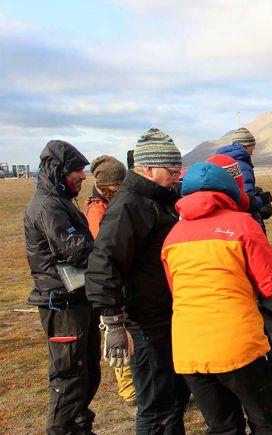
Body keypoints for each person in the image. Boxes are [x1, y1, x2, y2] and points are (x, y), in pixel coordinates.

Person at [161, 162, 272, 434]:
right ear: (229, 191)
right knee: (271, 425)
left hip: (188, 350)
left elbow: (176, 290)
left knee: (223, 428)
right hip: (238, 344)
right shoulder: (242, 225)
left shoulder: (172, 237)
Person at [86, 128, 191, 434]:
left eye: (178, 170)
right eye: (172, 171)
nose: (176, 177)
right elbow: (103, 262)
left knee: (173, 398)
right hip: (145, 322)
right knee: (157, 405)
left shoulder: (158, 200)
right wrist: (113, 321)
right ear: (148, 169)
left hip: (165, 315)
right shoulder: (130, 206)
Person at [24, 140, 98, 434]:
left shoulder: (59, 200)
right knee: (69, 375)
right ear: (59, 171)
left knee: (86, 372)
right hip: (62, 303)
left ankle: (79, 427)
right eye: (77, 170)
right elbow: (76, 249)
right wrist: (110, 250)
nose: (83, 175)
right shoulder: (48, 206)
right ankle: (64, 429)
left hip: (77, 299)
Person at [83, 155, 137, 408]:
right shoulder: (98, 210)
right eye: (118, 185)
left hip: (120, 279)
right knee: (120, 340)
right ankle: (130, 394)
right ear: (107, 186)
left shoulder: (108, 204)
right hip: (113, 282)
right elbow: (104, 248)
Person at [215, 127, 272, 233]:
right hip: (243, 221)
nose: (252, 152)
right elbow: (247, 200)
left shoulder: (223, 160)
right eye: (252, 148)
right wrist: (262, 200)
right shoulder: (242, 165)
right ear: (245, 146)